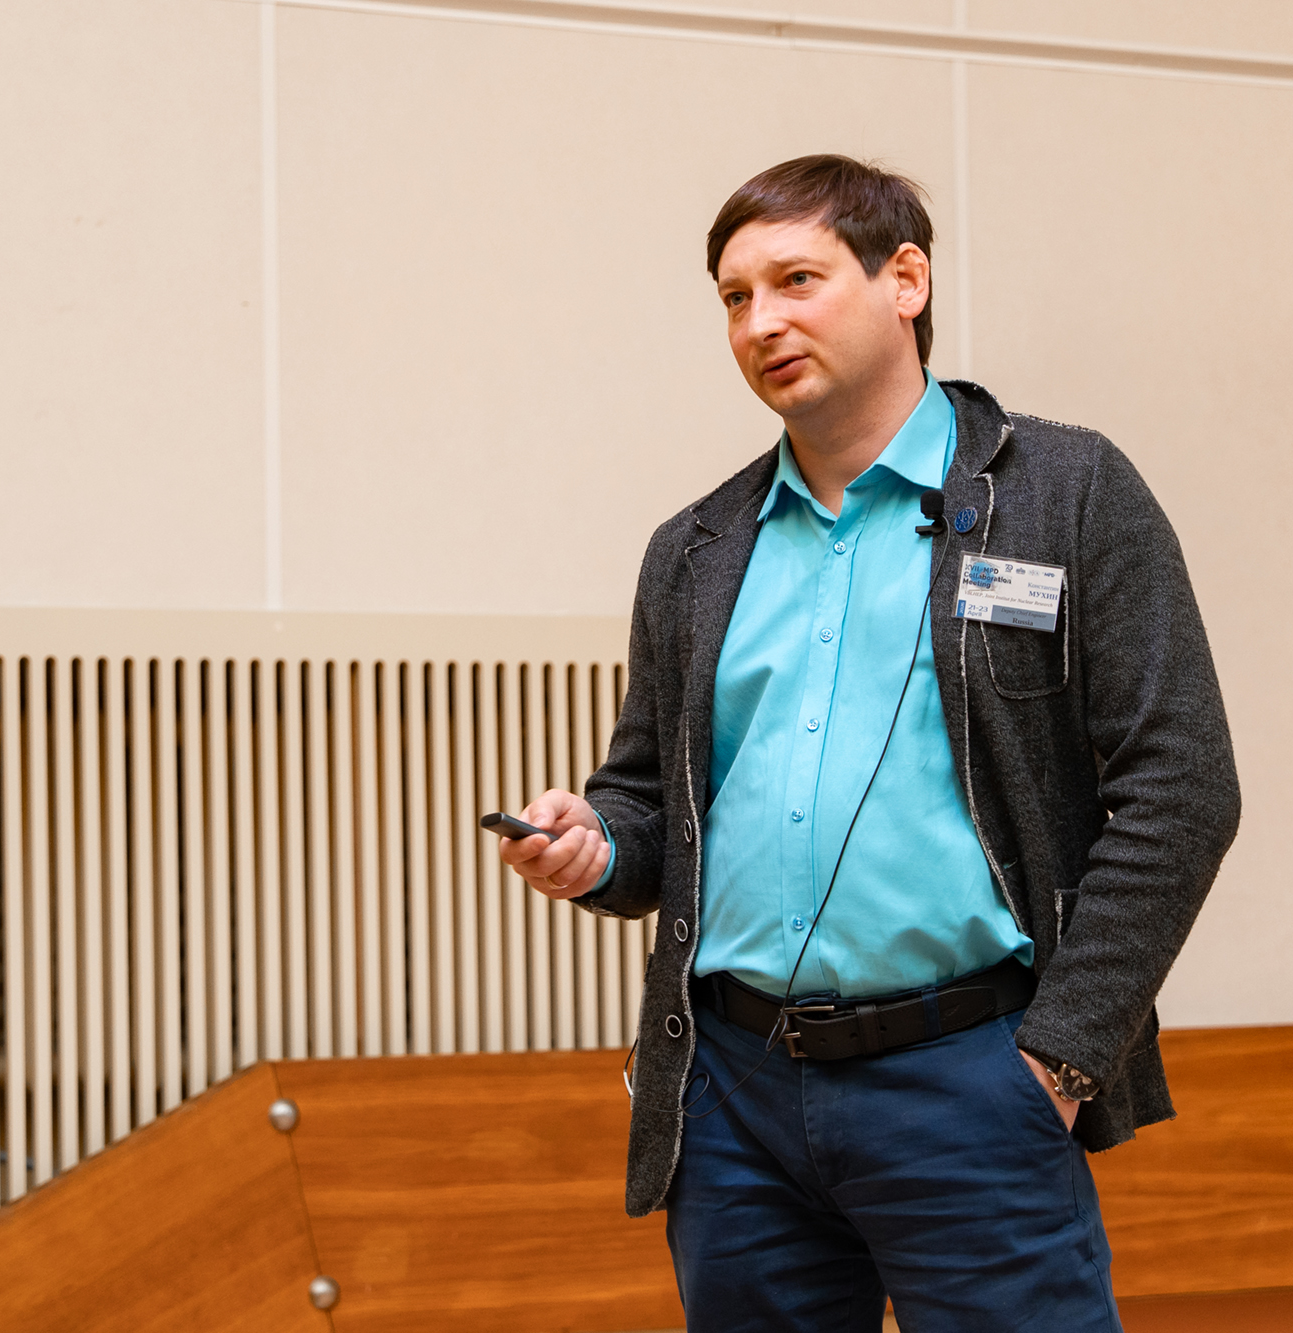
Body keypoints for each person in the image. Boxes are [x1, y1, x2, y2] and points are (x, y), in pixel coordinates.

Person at [499, 154, 1240, 1331]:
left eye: (795, 279)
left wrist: (1057, 1060)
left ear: (904, 280)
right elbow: (646, 807)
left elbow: (1180, 788)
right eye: (734, 297)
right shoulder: (693, 550)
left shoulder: (1063, 492)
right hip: (734, 1098)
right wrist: (594, 844)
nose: (759, 322)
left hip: (972, 1078)